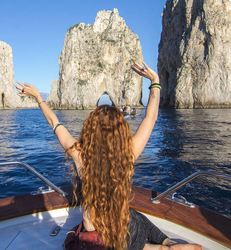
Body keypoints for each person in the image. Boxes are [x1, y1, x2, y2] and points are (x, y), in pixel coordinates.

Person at [15, 62, 202, 250]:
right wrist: (155, 81)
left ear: (90, 129)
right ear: (120, 130)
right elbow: (150, 118)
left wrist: (38, 97)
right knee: (133, 216)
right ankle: (164, 245)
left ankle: (160, 246)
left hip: (96, 241)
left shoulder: (79, 154)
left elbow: (54, 122)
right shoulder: (128, 153)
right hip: (126, 233)